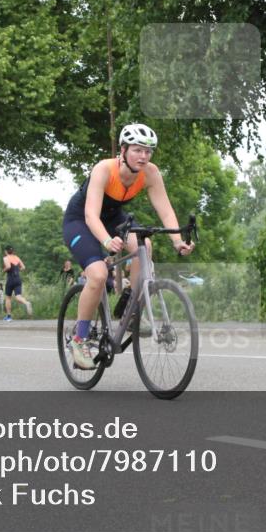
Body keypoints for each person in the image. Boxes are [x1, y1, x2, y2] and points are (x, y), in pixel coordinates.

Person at [62, 123, 194, 370]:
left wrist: (178, 241)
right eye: (137, 150)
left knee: (145, 244)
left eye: (148, 151)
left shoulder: (151, 173)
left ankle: (130, 311)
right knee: (99, 274)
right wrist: (105, 241)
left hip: (113, 218)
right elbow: (91, 215)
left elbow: (165, 209)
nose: (143, 156)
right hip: (80, 220)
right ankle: (79, 340)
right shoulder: (104, 169)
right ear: (123, 150)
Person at [2, 246, 33, 321]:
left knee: (8, 298)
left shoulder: (6, 258)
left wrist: (4, 270)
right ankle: (26, 303)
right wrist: (17, 270)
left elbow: (8, 266)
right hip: (18, 279)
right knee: (18, 296)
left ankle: (9, 317)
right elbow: (23, 267)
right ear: (13, 251)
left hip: (10, 279)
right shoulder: (17, 257)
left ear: (6, 251)